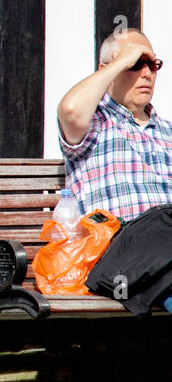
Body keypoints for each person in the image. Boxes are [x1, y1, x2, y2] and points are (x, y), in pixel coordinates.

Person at [56, 28, 172, 313]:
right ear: (106, 70)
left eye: (152, 64)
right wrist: (120, 61)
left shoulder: (168, 133)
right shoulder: (95, 123)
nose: (147, 73)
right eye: (136, 63)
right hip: (119, 251)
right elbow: (69, 109)